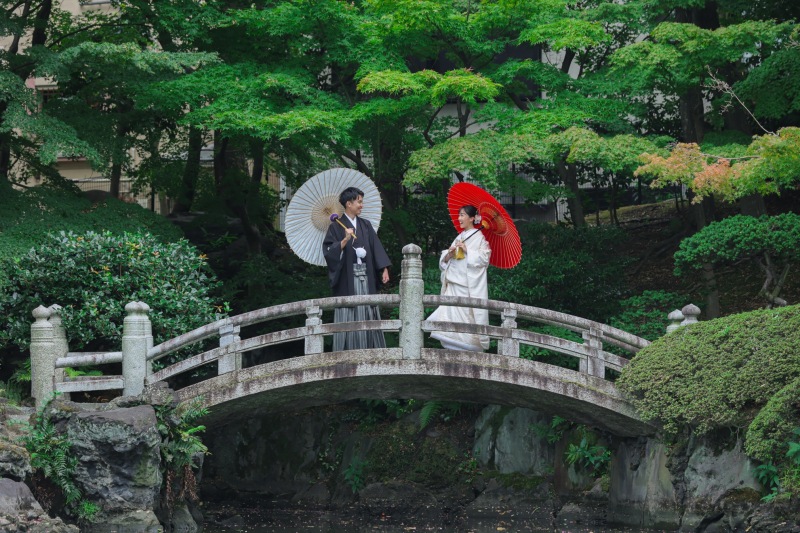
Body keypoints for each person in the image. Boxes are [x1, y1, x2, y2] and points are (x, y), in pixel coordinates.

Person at [322, 186, 392, 351]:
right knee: (349, 311)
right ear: (348, 203)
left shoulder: (365, 225)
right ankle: (346, 351)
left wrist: (384, 269)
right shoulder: (335, 227)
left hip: (366, 276)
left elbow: (376, 248)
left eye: (362, 202)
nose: (362, 205)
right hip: (347, 278)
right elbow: (329, 253)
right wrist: (345, 240)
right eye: (359, 202)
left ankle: (371, 349)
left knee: (368, 309)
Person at [427, 205, 491, 351]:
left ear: (472, 218)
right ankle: (450, 350)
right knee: (447, 318)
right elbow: (446, 262)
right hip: (453, 285)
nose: (459, 218)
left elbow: (484, 259)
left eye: (462, 215)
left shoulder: (479, 238)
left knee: (465, 321)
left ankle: (466, 350)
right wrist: (449, 254)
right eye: (459, 215)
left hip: (466, 288)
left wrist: (468, 250)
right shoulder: (460, 236)